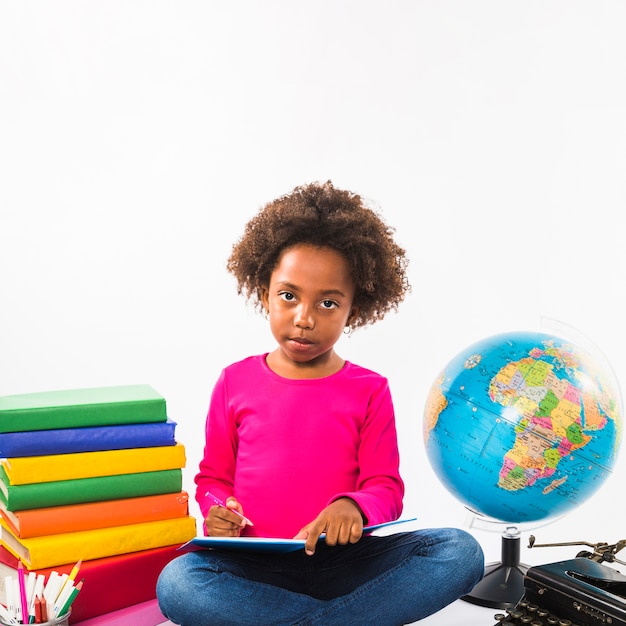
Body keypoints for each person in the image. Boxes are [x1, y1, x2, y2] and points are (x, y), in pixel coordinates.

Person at [156, 181, 484, 625]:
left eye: (328, 303)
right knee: (177, 581)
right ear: (264, 290)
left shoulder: (369, 389)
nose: (305, 318)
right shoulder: (235, 381)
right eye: (288, 296)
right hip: (255, 566)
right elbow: (212, 478)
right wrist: (219, 510)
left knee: (459, 551)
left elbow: (386, 489)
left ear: (356, 307)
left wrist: (352, 506)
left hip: (346, 563)